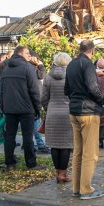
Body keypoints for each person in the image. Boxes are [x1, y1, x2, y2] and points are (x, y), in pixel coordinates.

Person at [65, 40, 104, 199]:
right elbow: (92, 87)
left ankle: (76, 188)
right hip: (88, 111)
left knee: (78, 152)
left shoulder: (71, 64)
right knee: (90, 153)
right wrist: (103, 100)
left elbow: (66, 89)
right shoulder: (87, 65)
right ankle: (86, 189)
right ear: (92, 51)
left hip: (74, 110)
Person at [0, 46, 43, 171]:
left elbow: (1, 90)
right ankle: (31, 163)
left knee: (9, 136)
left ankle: (10, 164)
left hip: (9, 109)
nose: (29, 56)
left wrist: (3, 106)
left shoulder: (5, 67)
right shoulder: (28, 68)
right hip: (26, 109)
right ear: (22, 53)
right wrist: (37, 108)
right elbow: (34, 90)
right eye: (28, 54)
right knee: (27, 137)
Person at [41, 52, 73, 184]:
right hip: (67, 113)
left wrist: (48, 109)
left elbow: (43, 98)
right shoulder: (71, 76)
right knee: (65, 145)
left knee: (54, 145)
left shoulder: (48, 77)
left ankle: (57, 173)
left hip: (52, 113)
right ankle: (63, 174)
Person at [28, 49, 48, 154]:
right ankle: (40, 145)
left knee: (29, 123)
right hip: (34, 100)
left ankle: (27, 144)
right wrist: (40, 65)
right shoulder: (33, 68)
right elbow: (42, 76)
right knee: (36, 122)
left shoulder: (26, 67)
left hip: (28, 100)